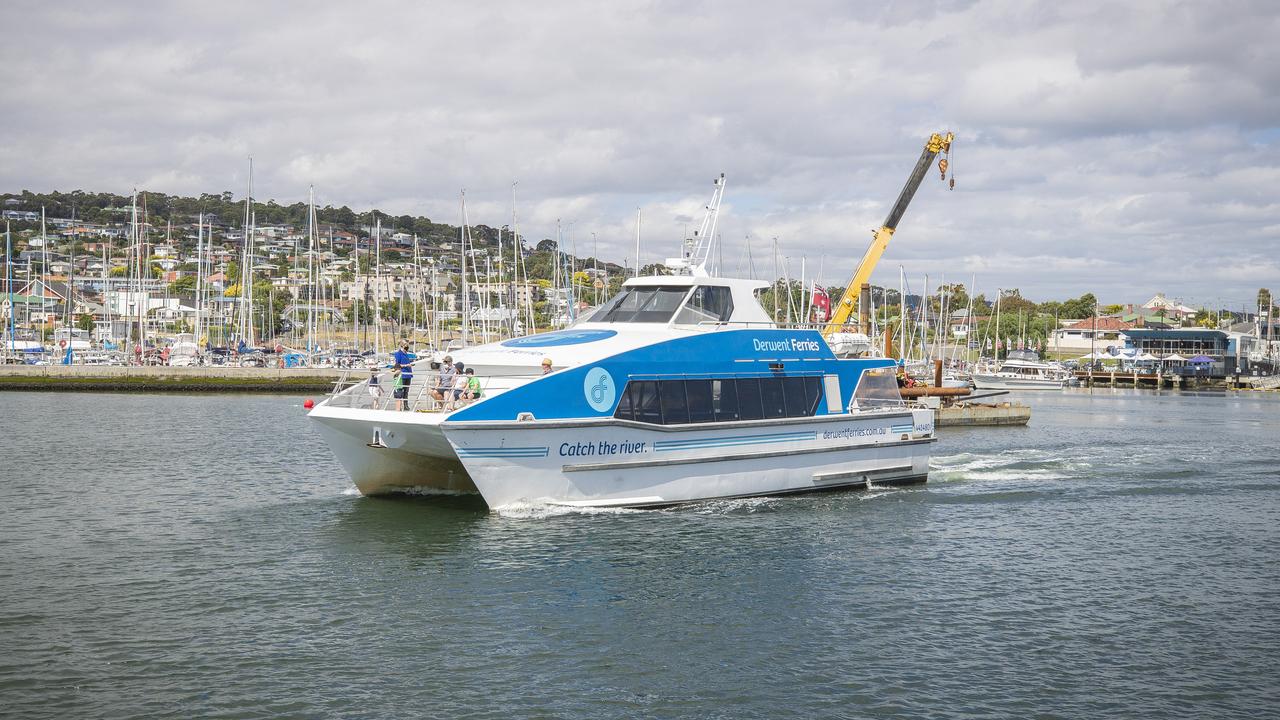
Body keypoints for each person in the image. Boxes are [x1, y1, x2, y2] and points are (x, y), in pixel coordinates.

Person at [393, 341, 415, 410]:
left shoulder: (406, 353)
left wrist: (410, 364)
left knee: (406, 391)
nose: (407, 347)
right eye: (406, 345)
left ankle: (406, 405)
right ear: (402, 346)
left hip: (408, 374)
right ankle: (400, 406)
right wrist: (406, 365)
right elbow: (397, 365)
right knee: (401, 390)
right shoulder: (398, 354)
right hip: (403, 374)